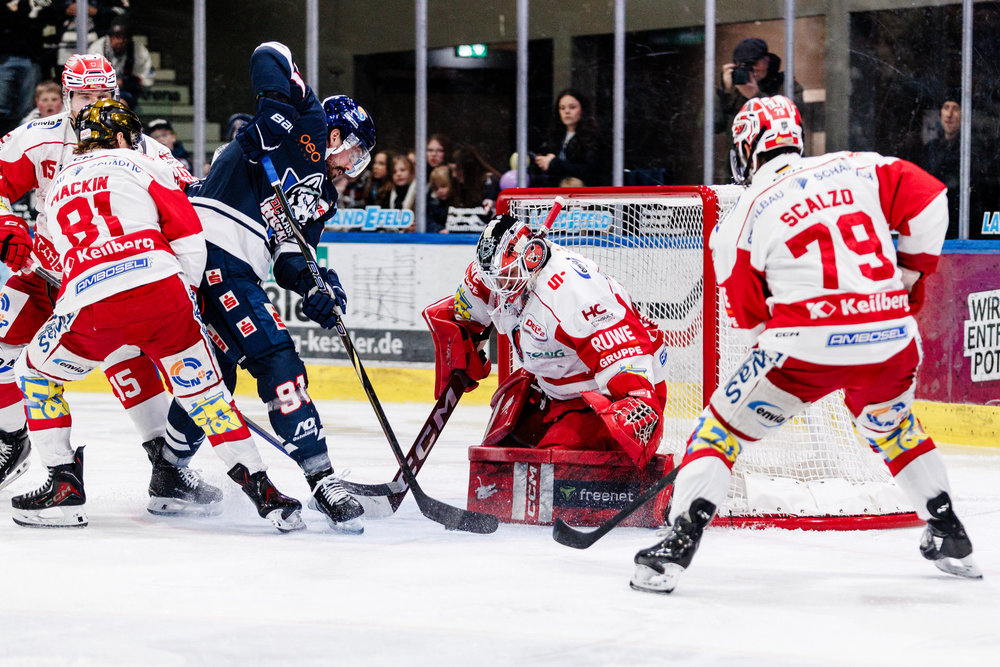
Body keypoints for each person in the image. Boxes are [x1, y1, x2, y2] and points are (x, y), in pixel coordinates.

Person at [629, 95, 981, 595]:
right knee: (893, 426)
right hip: (892, 338)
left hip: (804, 347)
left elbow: (752, 328)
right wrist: (908, 274)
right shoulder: (860, 167)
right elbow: (931, 198)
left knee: (719, 430)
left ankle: (679, 541)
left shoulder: (738, 219)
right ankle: (949, 530)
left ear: (746, 148)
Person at [10, 99, 302, 530]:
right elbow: (188, 235)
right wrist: (184, 295)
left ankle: (63, 485)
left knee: (35, 374)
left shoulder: (56, 188)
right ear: (126, 135)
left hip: (92, 304)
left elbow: (54, 260)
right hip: (163, 294)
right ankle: (266, 491)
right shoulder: (147, 164)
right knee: (207, 400)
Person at [0, 53, 222, 517]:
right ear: (66, 96)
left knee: (128, 359)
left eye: (102, 96)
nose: (91, 105)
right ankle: (11, 437)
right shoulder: (37, 137)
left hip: (101, 279)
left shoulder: (142, 147)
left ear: (116, 95)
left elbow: (190, 199)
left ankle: (165, 466)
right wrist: (7, 230)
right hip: (43, 270)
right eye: (83, 96)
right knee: (3, 347)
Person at [171, 41, 374, 533]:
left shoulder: (323, 196)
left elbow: (290, 256)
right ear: (338, 134)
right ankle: (322, 477)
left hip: (233, 266)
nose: (353, 166)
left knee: (215, 376)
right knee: (277, 357)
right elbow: (270, 51)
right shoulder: (305, 120)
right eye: (355, 153)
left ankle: (167, 470)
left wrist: (318, 287)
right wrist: (277, 111)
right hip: (213, 252)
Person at [423, 213, 668, 469]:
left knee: (552, 470)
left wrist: (637, 406)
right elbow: (464, 313)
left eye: (504, 277)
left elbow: (626, 358)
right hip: (555, 386)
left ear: (531, 257)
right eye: (492, 279)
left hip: (608, 394)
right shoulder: (497, 274)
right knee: (500, 456)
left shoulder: (573, 295)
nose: (498, 288)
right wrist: (465, 341)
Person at [713, 38, 804, 136]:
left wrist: (756, 96)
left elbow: (791, 119)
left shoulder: (786, 84)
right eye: (744, 66)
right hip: (743, 150)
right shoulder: (733, 90)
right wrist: (724, 92)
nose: (752, 70)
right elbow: (712, 127)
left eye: (754, 64)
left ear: (767, 61)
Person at [1, 0, 65, 136]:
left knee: (27, 108)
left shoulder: (34, 3)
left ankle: (21, 143)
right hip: (4, 58)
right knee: (2, 106)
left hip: (31, 57)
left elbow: (48, 19)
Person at [533, 89, 606, 187]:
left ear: (582, 110)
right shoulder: (555, 136)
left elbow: (592, 171)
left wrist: (555, 164)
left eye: (572, 107)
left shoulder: (592, 137)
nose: (566, 112)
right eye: (562, 108)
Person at [88, 17, 154, 105]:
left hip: (127, 92)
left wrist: (124, 83)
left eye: (124, 37)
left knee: (122, 102)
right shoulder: (96, 49)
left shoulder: (139, 51)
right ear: (110, 37)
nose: (121, 41)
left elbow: (148, 79)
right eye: (117, 37)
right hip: (100, 93)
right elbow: (90, 79)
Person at [923, 95, 961, 238]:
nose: (949, 115)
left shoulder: (972, 149)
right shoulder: (930, 149)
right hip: (935, 215)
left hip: (960, 215)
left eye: (955, 109)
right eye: (946, 108)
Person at [452, 144, 500, 220]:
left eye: (457, 170)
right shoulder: (460, 185)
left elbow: (486, 216)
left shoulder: (491, 183)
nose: (454, 175)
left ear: (468, 170)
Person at [425, 165, 455, 233]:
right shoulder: (433, 203)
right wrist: (439, 229)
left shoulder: (458, 202)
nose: (440, 191)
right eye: (436, 188)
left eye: (443, 186)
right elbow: (429, 221)